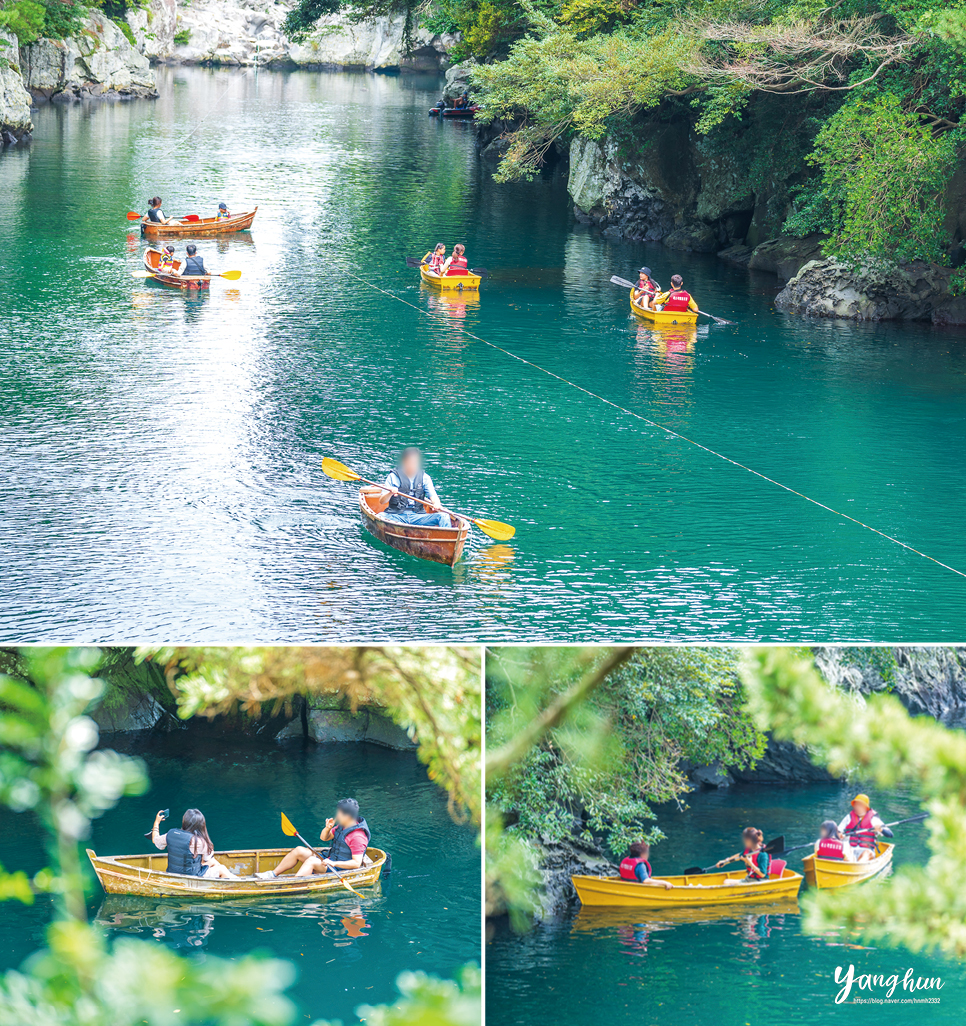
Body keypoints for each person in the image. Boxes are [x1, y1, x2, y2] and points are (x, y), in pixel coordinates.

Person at [256, 798, 370, 879]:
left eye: (339, 813)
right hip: (329, 860)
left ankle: (293, 884)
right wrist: (327, 828)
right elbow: (324, 838)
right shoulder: (343, 826)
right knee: (299, 850)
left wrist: (334, 863)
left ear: (348, 816)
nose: (337, 815)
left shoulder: (358, 837)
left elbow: (356, 863)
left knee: (311, 861)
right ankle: (272, 874)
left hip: (340, 868)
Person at [151, 808, 238, 879]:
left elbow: (155, 840)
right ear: (202, 825)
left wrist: (157, 822)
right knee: (221, 868)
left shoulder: (170, 834)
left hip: (173, 874)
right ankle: (238, 881)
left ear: (184, 822)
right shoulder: (200, 842)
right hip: (192, 877)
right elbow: (207, 859)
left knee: (213, 862)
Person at [377, 447, 453, 529]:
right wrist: (390, 493)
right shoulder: (393, 477)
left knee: (444, 516)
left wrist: (436, 503)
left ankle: (445, 540)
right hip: (396, 516)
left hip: (418, 517)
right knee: (380, 516)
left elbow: (433, 497)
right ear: (404, 462)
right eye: (410, 462)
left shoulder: (425, 477)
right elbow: (382, 501)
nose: (413, 465)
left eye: (415, 463)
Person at [838, 794, 889, 861]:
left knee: (867, 854)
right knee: (846, 852)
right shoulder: (849, 817)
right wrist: (839, 835)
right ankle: (849, 864)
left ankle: (858, 866)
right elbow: (838, 831)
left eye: (859, 805)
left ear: (865, 807)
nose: (856, 807)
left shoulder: (874, 819)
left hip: (866, 850)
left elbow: (890, 834)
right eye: (856, 805)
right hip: (850, 849)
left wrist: (880, 829)